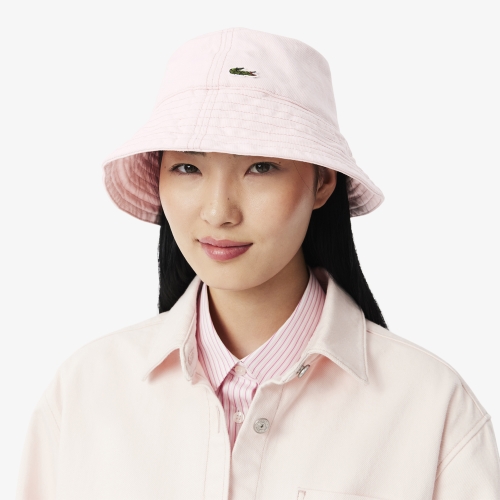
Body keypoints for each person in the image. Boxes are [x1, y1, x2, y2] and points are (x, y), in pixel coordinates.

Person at [16, 27, 500, 500]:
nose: (218, 212)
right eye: (188, 167)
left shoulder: (431, 408)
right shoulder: (85, 394)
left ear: (322, 183)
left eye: (261, 167)